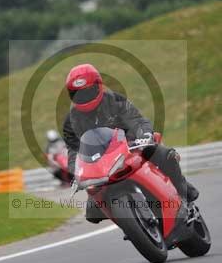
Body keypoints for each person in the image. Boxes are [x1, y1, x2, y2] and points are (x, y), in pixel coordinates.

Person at [62, 63, 199, 224]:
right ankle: (132, 223)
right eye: (78, 94)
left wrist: (145, 135)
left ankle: (183, 198)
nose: (83, 97)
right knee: (92, 213)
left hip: (132, 149)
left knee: (165, 155)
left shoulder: (115, 100)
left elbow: (137, 121)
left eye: (87, 92)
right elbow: (73, 151)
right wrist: (74, 172)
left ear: (98, 87)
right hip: (101, 166)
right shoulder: (70, 122)